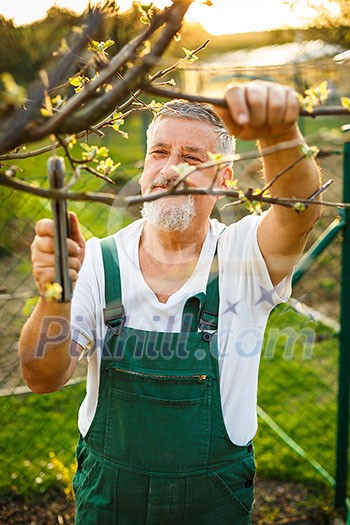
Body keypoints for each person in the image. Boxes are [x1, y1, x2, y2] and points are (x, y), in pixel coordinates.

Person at [19, 80, 322, 524]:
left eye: (192, 158)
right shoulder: (99, 262)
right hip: (109, 500)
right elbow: (42, 376)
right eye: (159, 153)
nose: (169, 169)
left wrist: (278, 133)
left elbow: (299, 209)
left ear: (224, 179)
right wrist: (53, 296)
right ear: (143, 168)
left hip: (212, 501)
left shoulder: (243, 258)